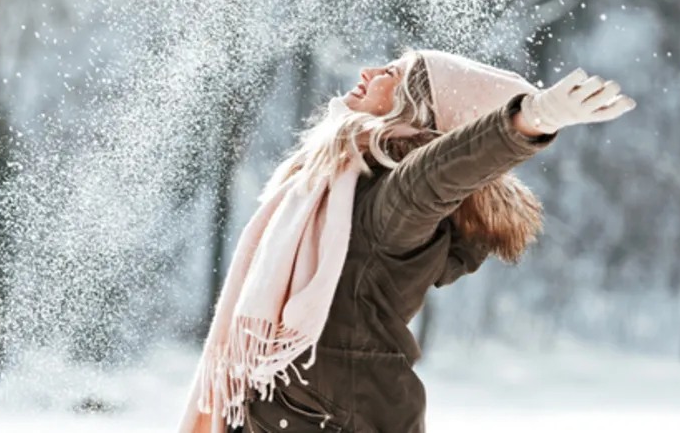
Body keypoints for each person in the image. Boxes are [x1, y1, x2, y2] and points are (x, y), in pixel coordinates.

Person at [179, 49, 635, 433]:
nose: (368, 74)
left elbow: (436, 173)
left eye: (391, 74)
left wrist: (526, 121)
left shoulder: (394, 202)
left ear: (416, 110)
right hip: (309, 406)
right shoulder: (338, 186)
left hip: (336, 415)